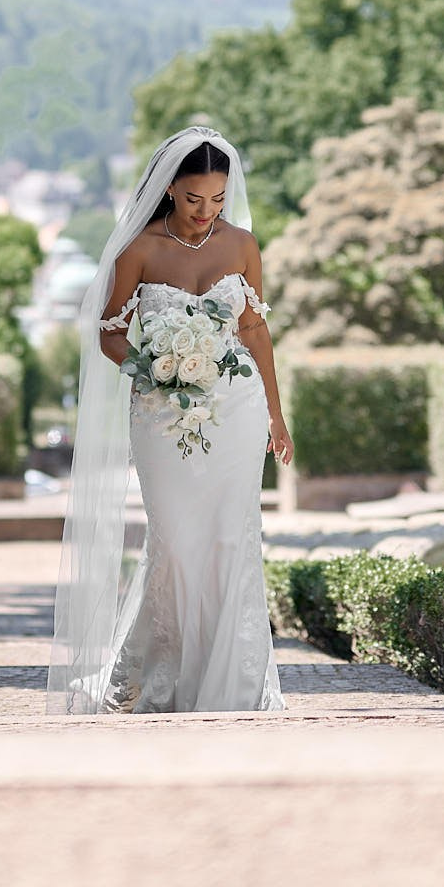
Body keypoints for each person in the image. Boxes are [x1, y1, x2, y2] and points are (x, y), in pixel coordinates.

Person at [47, 127, 289, 714]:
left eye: (218, 199)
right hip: (159, 412)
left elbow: (253, 329)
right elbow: (108, 333)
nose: (207, 211)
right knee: (176, 543)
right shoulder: (140, 250)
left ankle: (229, 682)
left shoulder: (242, 245)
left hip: (236, 408)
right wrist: (152, 370)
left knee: (230, 539)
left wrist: (276, 415)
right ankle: (160, 673)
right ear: (170, 190)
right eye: (194, 198)